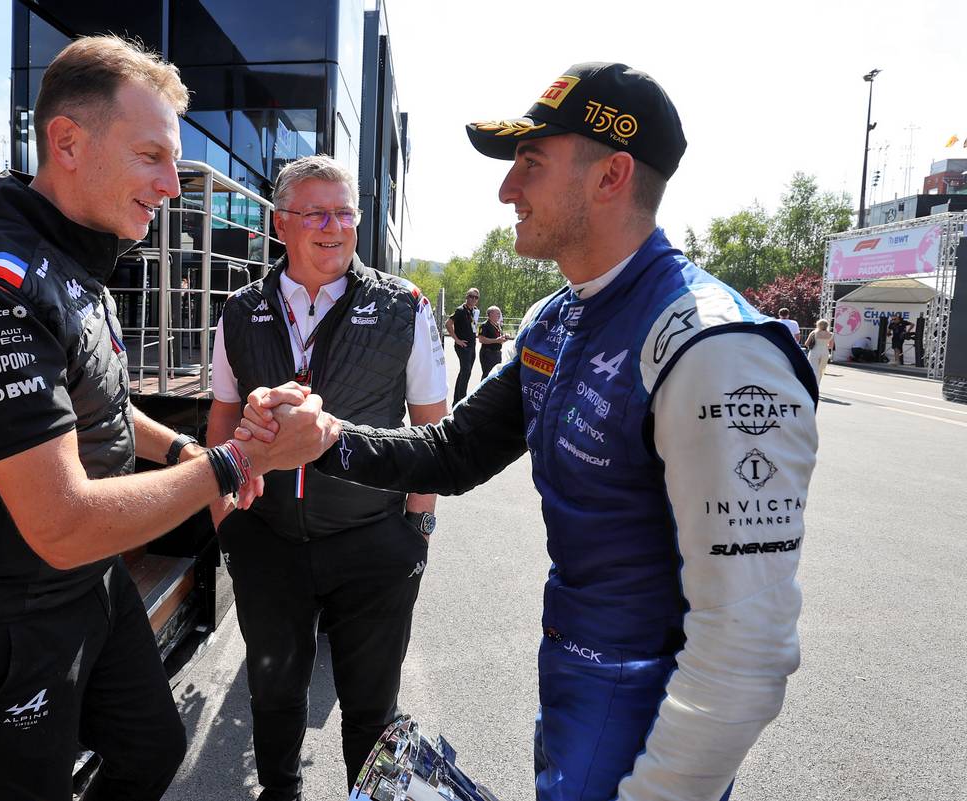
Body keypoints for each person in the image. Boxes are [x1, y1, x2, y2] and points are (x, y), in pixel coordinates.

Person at [242, 61, 819, 801]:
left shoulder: (717, 352)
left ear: (611, 176)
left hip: (651, 722)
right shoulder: (559, 317)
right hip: (572, 683)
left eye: (531, 164)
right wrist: (326, 441)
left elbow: (748, 652)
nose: (507, 189)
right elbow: (453, 452)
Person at [0, 36, 338, 801]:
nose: (173, 183)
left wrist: (195, 449)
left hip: (87, 587)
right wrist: (237, 464)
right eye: (151, 156)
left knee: (153, 749)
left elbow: (100, 406)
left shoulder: (78, 263)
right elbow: (61, 519)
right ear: (67, 142)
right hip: (1, 618)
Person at [206, 154, 448, 801]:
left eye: (345, 212)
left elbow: (432, 425)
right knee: (274, 695)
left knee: (372, 710)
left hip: (374, 542)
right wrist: (224, 519)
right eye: (316, 212)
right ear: (281, 223)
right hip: (268, 538)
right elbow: (222, 416)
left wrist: (417, 526)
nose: (334, 226)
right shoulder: (239, 310)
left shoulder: (405, 306)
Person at [446, 287, 480, 403]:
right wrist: (457, 340)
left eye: (476, 297)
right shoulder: (460, 310)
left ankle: (457, 400)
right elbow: (448, 324)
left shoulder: (474, 311)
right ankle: (461, 399)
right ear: (466, 297)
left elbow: (473, 326)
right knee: (465, 371)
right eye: (471, 296)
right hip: (463, 346)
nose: (473, 299)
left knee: (466, 371)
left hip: (472, 345)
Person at [477, 305, 508, 378]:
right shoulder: (484, 325)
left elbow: (498, 339)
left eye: (499, 313)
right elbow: (481, 339)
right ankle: (483, 389)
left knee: (495, 375)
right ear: (490, 314)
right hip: (488, 353)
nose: (499, 315)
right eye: (497, 313)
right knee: (487, 375)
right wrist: (496, 340)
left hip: (496, 353)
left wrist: (504, 338)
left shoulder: (497, 325)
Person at [805, 319, 834, 385]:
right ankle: (817, 385)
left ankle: (812, 384)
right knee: (821, 370)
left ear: (818, 325)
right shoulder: (831, 334)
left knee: (813, 368)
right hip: (825, 352)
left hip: (815, 351)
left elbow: (806, 344)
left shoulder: (814, 333)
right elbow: (831, 346)